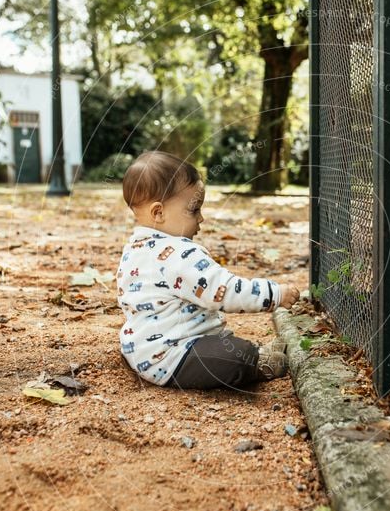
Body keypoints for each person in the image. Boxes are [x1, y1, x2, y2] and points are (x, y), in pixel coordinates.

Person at [116, 151, 300, 390]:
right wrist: (274, 294)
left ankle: (255, 353)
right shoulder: (178, 254)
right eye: (194, 210)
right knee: (234, 356)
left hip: (143, 350)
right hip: (173, 357)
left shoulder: (134, 248)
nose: (201, 218)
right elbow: (223, 290)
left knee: (225, 344)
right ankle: (256, 363)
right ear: (158, 213)